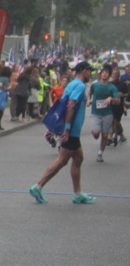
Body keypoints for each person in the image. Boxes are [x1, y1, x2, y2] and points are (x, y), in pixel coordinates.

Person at [29, 61, 96, 205]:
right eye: (90, 71)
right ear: (83, 71)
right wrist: (66, 128)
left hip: (72, 130)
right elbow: (70, 106)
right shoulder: (79, 86)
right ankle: (38, 186)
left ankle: (78, 193)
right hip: (71, 130)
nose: (91, 74)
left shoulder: (72, 84)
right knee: (62, 160)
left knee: (78, 158)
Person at [87, 65, 120, 162]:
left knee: (105, 135)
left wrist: (111, 98)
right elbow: (90, 93)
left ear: (109, 75)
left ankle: (100, 154)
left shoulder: (112, 87)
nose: (105, 74)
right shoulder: (95, 85)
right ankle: (95, 133)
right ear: (100, 74)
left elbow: (118, 101)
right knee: (96, 133)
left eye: (107, 73)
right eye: (103, 72)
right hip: (96, 112)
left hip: (107, 113)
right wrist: (88, 100)